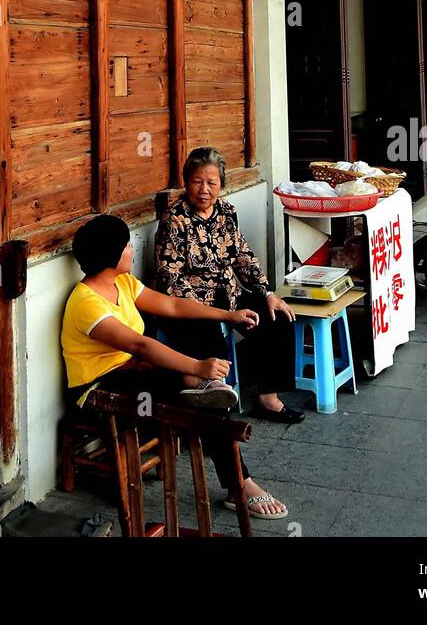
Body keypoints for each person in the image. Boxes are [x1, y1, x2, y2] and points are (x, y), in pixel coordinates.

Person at [62, 214, 289, 520]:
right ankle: (238, 482)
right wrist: (198, 366)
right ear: (110, 255)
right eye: (127, 246)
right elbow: (139, 345)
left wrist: (226, 315)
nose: (132, 250)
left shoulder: (123, 283)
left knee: (203, 379)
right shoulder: (85, 302)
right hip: (97, 391)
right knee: (202, 398)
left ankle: (201, 393)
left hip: (133, 372)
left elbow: (171, 305)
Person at [154, 147, 303, 425]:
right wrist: (213, 312)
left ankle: (268, 399)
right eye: (198, 181)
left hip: (229, 298)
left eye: (212, 183)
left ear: (221, 184)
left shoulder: (226, 211)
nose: (204, 189)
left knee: (276, 317)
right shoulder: (174, 219)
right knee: (210, 338)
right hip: (192, 307)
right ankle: (215, 417)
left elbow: (243, 256)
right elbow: (170, 279)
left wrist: (266, 292)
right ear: (186, 181)